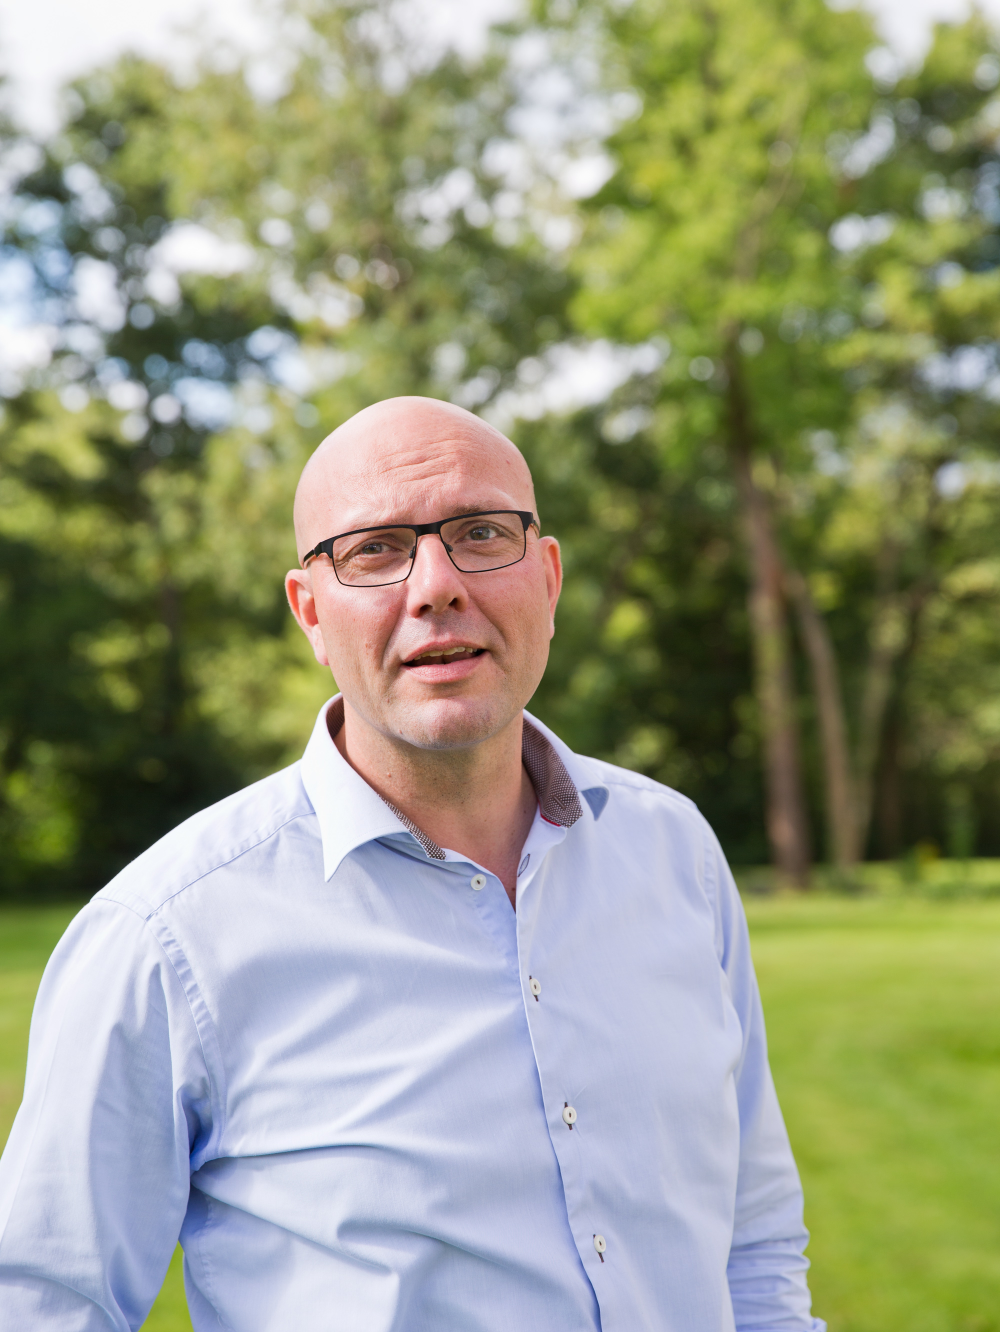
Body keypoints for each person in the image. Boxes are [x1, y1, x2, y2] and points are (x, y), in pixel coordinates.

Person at [0, 396, 824, 1331]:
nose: (436, 586)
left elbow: (754, 1244)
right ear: (311, 613)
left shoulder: (674, 852)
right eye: (375, 550)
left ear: (549, 578)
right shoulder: (165, 937)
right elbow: (44, 1308)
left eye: (481, 533)